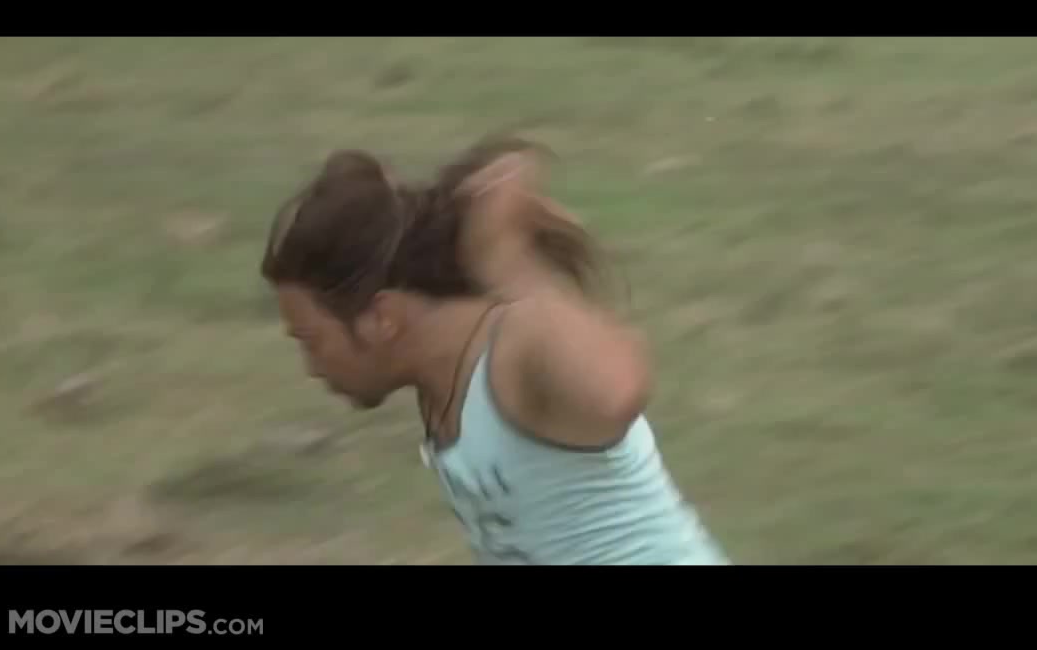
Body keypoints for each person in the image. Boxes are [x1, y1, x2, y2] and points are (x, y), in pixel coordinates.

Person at [259, 135, 729, 565]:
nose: (311, 367)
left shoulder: (512, 350)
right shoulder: (443, 378)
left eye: (311, 340)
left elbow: (618, 390)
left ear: (382, 318)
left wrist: (506, 258)